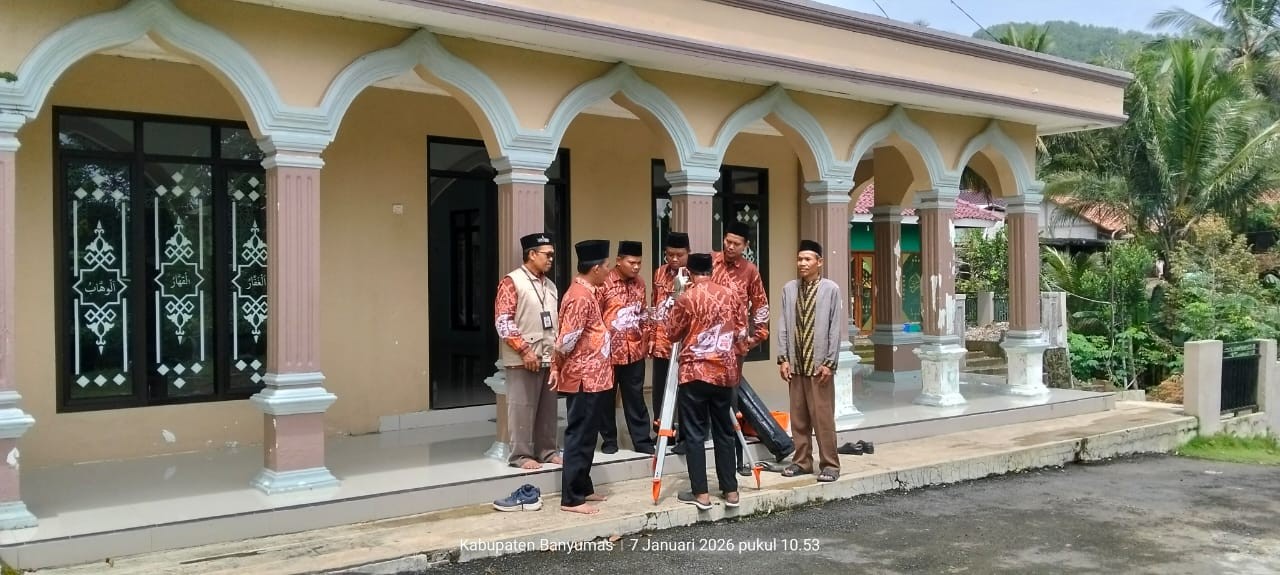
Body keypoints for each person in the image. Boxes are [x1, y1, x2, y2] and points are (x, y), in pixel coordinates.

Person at [666, 252, 745, 510]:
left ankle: (701, 494)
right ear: (712, 271)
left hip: (695, 372)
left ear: (689, 273)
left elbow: (672, 333)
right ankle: (730, 491)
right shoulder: (730, 295)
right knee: (724, 431)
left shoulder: (686, 298)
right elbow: (742, 330)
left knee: (694, 433)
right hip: (724, 373)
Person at [550, 239, 615, 515]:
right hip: (584, 378)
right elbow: (566, 340)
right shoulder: (579, 296)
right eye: (607, 266)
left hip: (595, 377)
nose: (609, 271)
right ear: (596, 268)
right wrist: (555, 366)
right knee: (579, 435)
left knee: (588, 435)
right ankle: (572, 498)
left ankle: (584, 487)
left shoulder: (588, 292)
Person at [777, 240, 844, 482]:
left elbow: (835, 328)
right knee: (798, 419)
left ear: (819, 262)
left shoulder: (831, 289)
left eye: (808, 259)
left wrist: (829, 362)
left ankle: (830, 464)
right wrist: (783, 359)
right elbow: (783, 325)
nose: (802, 263)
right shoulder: (789, 289)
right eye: (800, 259)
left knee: (823, 418)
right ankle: (802, 461)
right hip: (796, 365)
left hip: (819, 368)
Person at [494, 233, 562, 470]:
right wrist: (524, 350)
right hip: (523, 358)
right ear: (532, 254)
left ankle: (547, 451)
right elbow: (503, 322)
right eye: (547, 255)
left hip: (547, 355)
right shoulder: (512, 282)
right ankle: (521, 456)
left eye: (552, 255)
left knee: (548, 410)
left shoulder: (550, 286)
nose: (551, 259)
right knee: (521, 409)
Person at [597, 240, 656, 455]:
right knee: (606, 398)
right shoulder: (604, 282)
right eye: (632, 262)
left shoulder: (640, 283)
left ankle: (642, 440)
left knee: (635, 397)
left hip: (635, 350)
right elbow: (596, 316)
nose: (636, 267)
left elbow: (643, 313)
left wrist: (648, 336)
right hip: (609, 352)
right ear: (619, 261)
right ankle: (609, 440)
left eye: (639, 263)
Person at [650, 232, 690, 452]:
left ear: (688, 253)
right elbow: (655, 304)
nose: (674, 259)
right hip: (662, 343)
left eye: (679, 255)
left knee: (685, 393)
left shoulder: (694, 275)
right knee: (660, 392)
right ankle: (663, 434)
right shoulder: (659, 273)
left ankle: (686, 437)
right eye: (670, 254)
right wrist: (652, 337)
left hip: (684, 345)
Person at [713, 221, 770, 362]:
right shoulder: (710, 262)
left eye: (736, 244)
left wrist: (758, 336)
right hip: (708, 340)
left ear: (746, 245)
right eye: (728, 241)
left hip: (735, 342)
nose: (731, 247)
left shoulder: (750, 270)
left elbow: (760, 304)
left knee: (733, 376)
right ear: (724, 239)